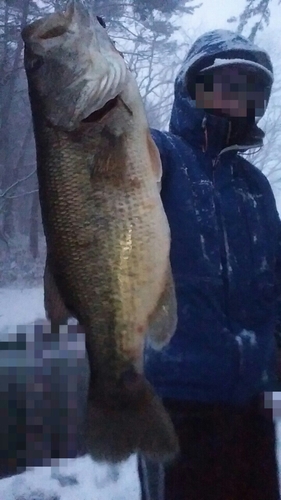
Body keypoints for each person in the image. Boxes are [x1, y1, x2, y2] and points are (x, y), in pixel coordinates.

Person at [138, 29, 281, 500]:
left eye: (247, 86)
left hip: (252, 404)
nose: (235, 95)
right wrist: (85, 65)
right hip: (175, 403)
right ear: (192, 86)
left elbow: (273, 282)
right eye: (223, 80)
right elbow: (97, 147)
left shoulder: (254, 186)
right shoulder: (159, 157)